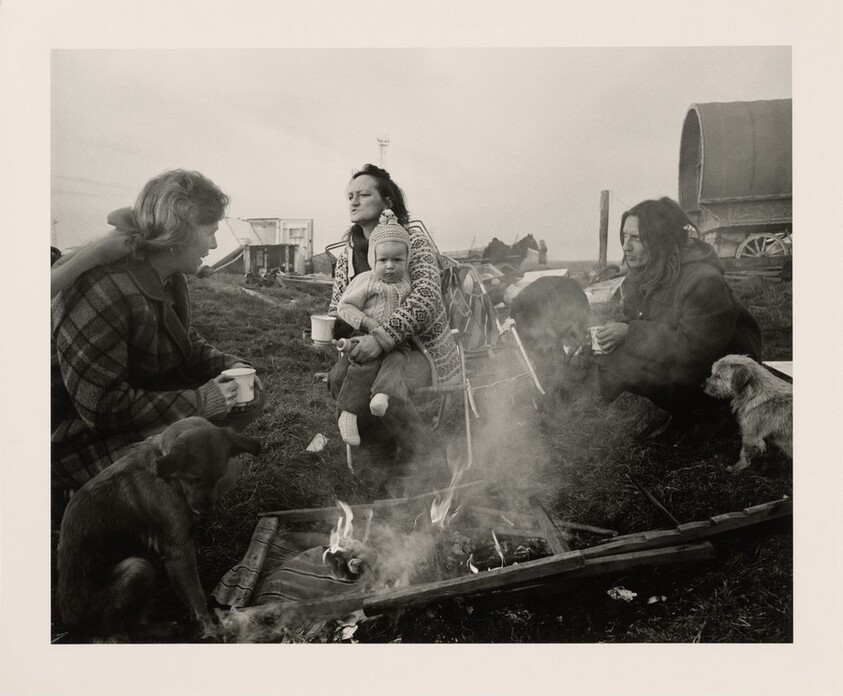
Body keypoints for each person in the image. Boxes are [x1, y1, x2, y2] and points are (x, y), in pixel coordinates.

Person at [51, 169, 265, 490]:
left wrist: (229, 366)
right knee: (219, 467)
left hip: (134, 408)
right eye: (210, 231)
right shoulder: (105, 290)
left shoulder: (169, 277)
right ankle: (84, 498)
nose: (216, 243)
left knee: (247, 400)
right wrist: (202, 401)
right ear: (179, 233)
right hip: (73, 439)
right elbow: (100, 408)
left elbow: (184, 339)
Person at [593, 197, 763, 443]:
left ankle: (711, 413)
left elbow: (694, 347)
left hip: (730, 376)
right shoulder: (642, 276)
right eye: (625, 236)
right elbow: (639, 319)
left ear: (661, 240)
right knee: (616, 355)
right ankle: (686, 413)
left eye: (637, 238)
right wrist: (618, 332)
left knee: (627, 360)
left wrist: (630, 333)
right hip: (694, 362)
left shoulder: (702, 280)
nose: (626, 247)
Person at [327, 164, 459, 478]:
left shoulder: (412, 239)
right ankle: (379, 460)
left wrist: (382, 337)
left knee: (388, 387)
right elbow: (338, 305)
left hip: (420, 348)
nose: (353, 202)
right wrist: (345, 332)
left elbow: (426, 295)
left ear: (387, 201)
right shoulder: (348, 252)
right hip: (368, 343)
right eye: (350, 196)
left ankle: (425, 461)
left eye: (363, 194)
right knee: (337, 379)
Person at [334, 210, 416, 446]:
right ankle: (348, 413)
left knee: (397, 361)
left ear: (407, 260)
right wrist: (368, 322)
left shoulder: (408, 283)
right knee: (364, 366)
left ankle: (381, 396)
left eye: (397, 260)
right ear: (373, 259)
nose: (390, 266)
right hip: (367, 336)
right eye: (383, 260)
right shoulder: (367, 280)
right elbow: (344, 306)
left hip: (396, 341)